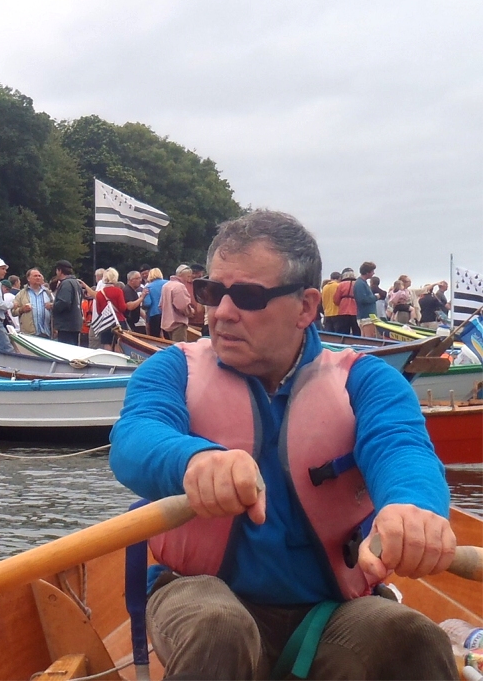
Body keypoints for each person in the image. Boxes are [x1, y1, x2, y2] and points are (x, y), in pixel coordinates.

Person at [109, 209, 455, 680]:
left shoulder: (367, 381)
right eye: (212, 292)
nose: (222, 312)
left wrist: (413, 508)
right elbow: (134, 439)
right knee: (218, 627)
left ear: (307, 307)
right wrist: (193, 460)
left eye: (248, 296)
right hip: (199, 591)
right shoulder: (171, 369)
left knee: (410, 639)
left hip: (332, 610)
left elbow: (402, 448)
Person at [95, 267, 140, 349]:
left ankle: (108, 361)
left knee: (106, 343)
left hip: (106, 322)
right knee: (118, 343)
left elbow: (99, 311)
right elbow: (122, 308)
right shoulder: (118, 291)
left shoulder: (99, 293)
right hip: (118, 321)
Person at [12, 268, 53, 338]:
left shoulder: (48, 293)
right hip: (29, 334)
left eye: (39, 276)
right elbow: (13, 312)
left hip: (46, 332)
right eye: (35, 276)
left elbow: (55, 308)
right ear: (28, 279)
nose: (38, 278)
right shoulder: (21, 294)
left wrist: (52, 306)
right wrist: (22, 309)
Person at [159, 265, 195, 342]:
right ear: (181, 275)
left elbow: (161, 305)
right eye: (188, 276)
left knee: (171, 347)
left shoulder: (166, 285)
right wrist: (190, 312)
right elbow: (182, 306)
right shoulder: (180, 286)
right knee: (179, 348)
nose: (189, 279)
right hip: (178, 323)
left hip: (167, 323)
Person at [51, 260, 83, 346]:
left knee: (66, 351)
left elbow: (64, 302)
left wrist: (53, 306)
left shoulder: (66, 283)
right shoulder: (76, 283)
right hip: (75, 323)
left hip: (66, 325)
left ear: (60, 270)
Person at [332, 268, 359, 336]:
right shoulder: (357, 284)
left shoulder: (341, 285)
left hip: (343, 310)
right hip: (356, 311)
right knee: (357, 331)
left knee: (342, 332)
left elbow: (336, 300)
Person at [354, 261, 378, 338]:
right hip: (366, 317)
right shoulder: (360, 284)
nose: (374, 273)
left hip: (366, 316)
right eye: (372, 271)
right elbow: (362, 299)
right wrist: (375, 297)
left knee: (366, 338)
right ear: (367, 272)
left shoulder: (361, 283)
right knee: (369, 339)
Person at [142, 268, 167, 337]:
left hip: (154, 313)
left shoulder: (148, 287)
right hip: (167, 313)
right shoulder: (168, 283)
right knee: (168, 336)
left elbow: (147, 303)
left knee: (155, 336)